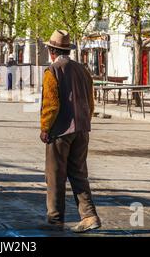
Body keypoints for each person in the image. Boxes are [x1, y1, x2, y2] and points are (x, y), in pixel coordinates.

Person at [40, 30, 101, 233]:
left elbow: (51, 104)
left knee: (55, 175)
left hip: (61, 131)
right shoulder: (83, 70)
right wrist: (84, 121)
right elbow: (90, 103)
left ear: (51, 51)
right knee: (78, 173)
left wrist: (45, 128)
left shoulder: (53, 71)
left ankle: (55, 220)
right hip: (82, 129)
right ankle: (89, 215)